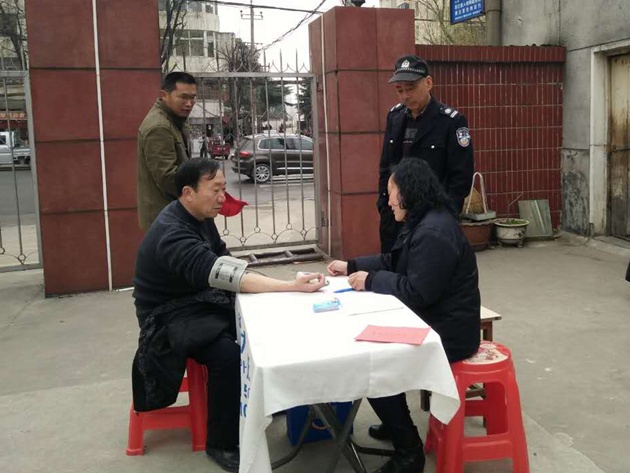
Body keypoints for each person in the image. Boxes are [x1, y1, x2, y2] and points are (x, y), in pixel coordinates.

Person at [132, 158, 326, 472]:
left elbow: (224, 259)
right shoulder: (173, 233)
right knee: (227, 355)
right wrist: (289, 286)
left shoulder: (200, 216)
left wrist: (268, 284)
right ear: (188, 193)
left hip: (197, 302)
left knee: (261, 326)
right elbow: (224, 275)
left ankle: (263, 398)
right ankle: (221, 444)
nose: (223, 197)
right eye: (216, 190)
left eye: (224, 188)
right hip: (168, 317)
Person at [328, 159, 481, 473]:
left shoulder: (434, 231)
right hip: (433, 320)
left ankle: (409, 452)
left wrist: (371, 280)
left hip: (447, 334)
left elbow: (418, 292)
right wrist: (353, 266)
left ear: (408, 193)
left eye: (391, 193)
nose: (388, 201)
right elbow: (395, 261)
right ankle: (395, 421)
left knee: (372, 362)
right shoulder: (423, 220)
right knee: (371, 349)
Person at [378, 54, 474, 253]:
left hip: (431, 219)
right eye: (399, 90)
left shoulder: (451, 122)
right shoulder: (395, 117)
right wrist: (384, 206)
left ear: (428, 83)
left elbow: (461, 177)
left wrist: (446, 215)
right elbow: (386, 165)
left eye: (411, 88)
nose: (405, 96)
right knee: (390, 265)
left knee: (426, 268)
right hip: (395, 216)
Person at [137, 71, 197, 230]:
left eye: (192, 98)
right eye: (183, 97)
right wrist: (201, 192)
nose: (189, 103)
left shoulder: (175, 120)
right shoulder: (159, 127)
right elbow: (167, 177)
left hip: (174, 214)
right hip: (165, 219)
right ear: (164, 95)